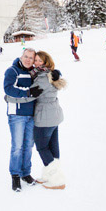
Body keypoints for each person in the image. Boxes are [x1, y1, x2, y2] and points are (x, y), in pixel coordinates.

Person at [3, 47, 39, 192]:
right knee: (17, 146)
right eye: (26, 56)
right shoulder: (12, 71)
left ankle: (26, 173)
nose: (28, 60)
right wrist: (28, 92)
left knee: (28, 146)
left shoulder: (33, 73)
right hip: (17, 115)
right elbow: (8, 89)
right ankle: (15, 175)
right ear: (21, 56)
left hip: (31, 115)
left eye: (31, 58)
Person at [29, 50, 67, 190]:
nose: (36, 63)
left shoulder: (42, 77)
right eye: (36, 60)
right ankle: (48, 175)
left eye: (40, 61)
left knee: (42, 147)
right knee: (52, 147)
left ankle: (57, 180)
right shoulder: (49, 74)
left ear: (46, 63)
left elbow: (30, 94)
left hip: (45, 117)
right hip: (54, 115)